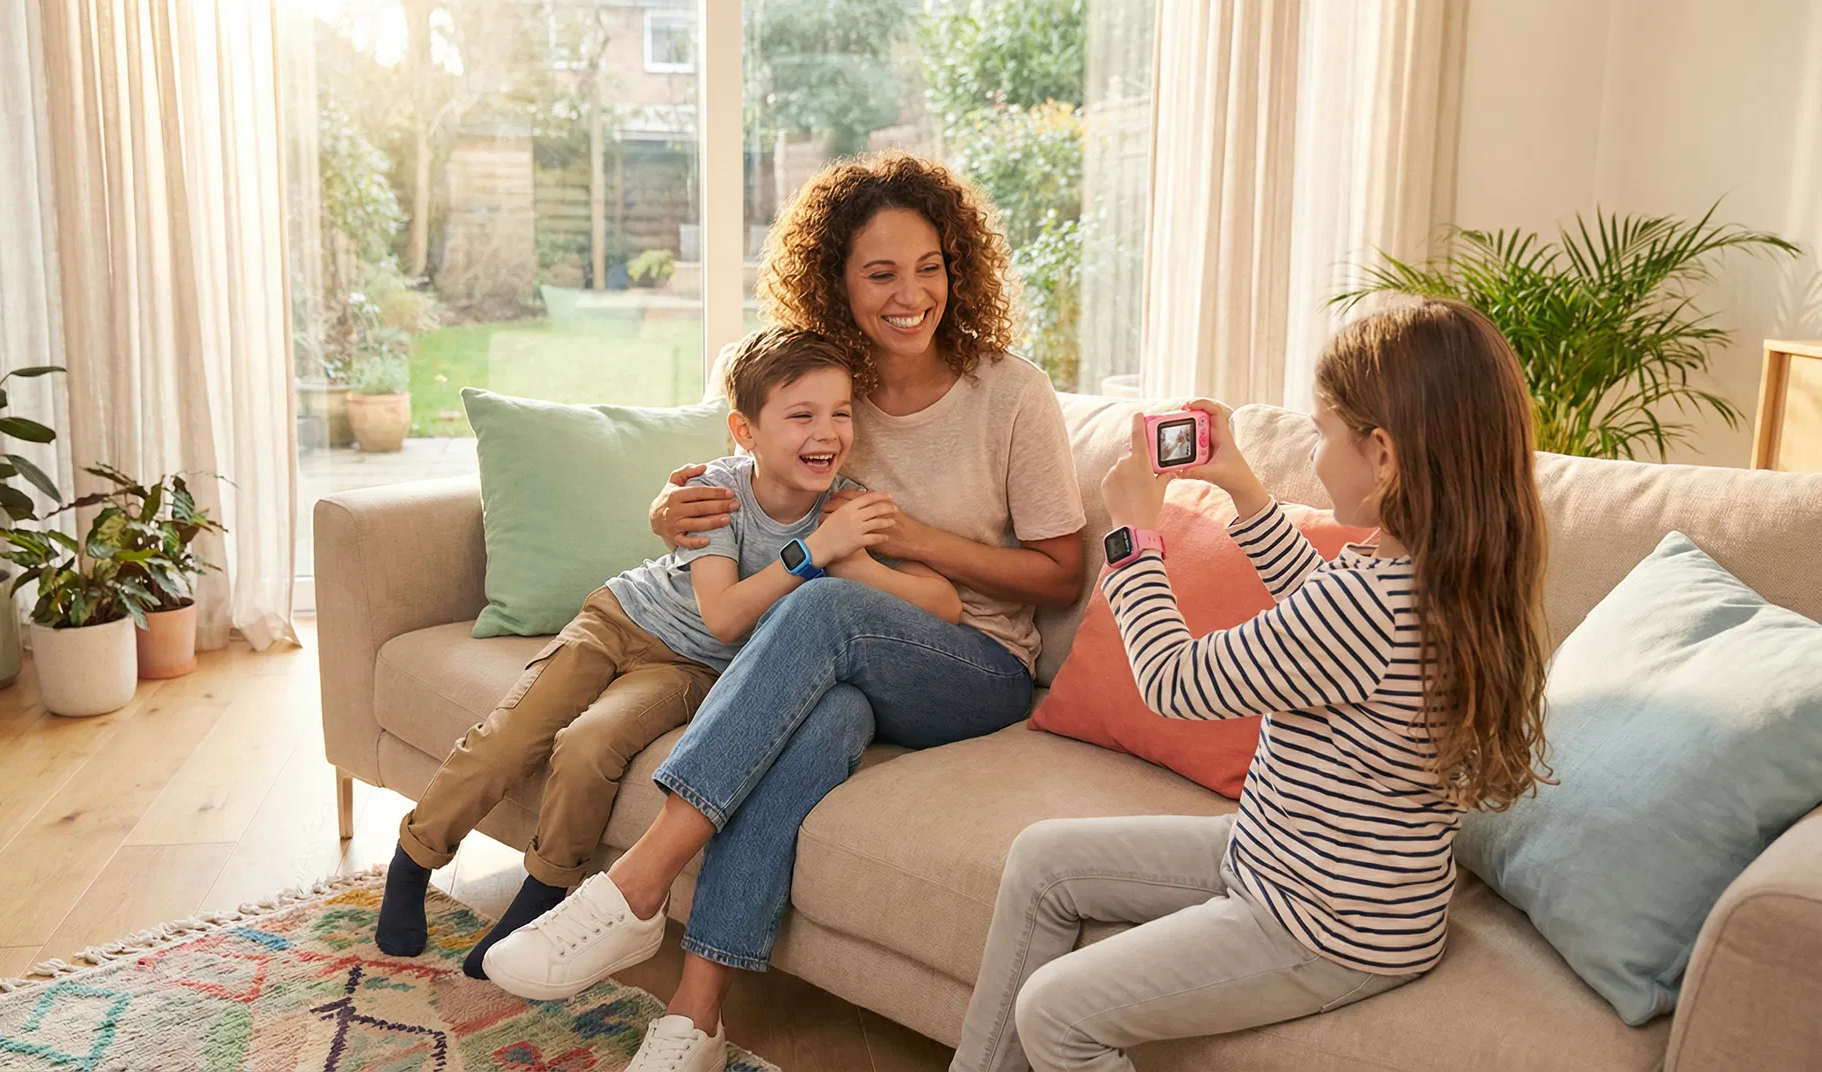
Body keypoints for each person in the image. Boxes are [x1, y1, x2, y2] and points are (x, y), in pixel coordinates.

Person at [480, 151, 1088, 1072]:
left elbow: (1058, 573)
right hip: (852, 671)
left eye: (929, 267)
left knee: (827, 604)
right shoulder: (829, 390)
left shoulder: (1011, 392)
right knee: (822, 719)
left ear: (957, 269)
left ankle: (636, 886)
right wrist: (666, 508)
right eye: (879, 273)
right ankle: (695, 1019)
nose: (909, 294)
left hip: (976, 669)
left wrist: (910, 536)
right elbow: (737, 475)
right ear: (837, 282)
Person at [949, 297, 1554, 1071]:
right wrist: (1243, 490)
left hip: (1323, 924)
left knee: (1056, 1015)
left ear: (1385, 457)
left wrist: (1134, 539)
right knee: (1043, 862)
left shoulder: (1369, 603)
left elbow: (1175, 683)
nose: (1313, 445)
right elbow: (1321, 617)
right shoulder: (1433, 575)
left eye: (1322, 428)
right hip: (1290, 861)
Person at [373, 326, 960, 979]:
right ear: (745, 432)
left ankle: (539, 901)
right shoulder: (715, 492)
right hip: (621, 618)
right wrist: (815, 554)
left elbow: (944, 605)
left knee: (589, 745)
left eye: (840, 413)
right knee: (514, 734)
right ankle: (414, 857)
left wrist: (854, 561)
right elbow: (726, 612)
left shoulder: (843, 508)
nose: (826, 432)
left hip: (694, 669)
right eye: (802, 416)